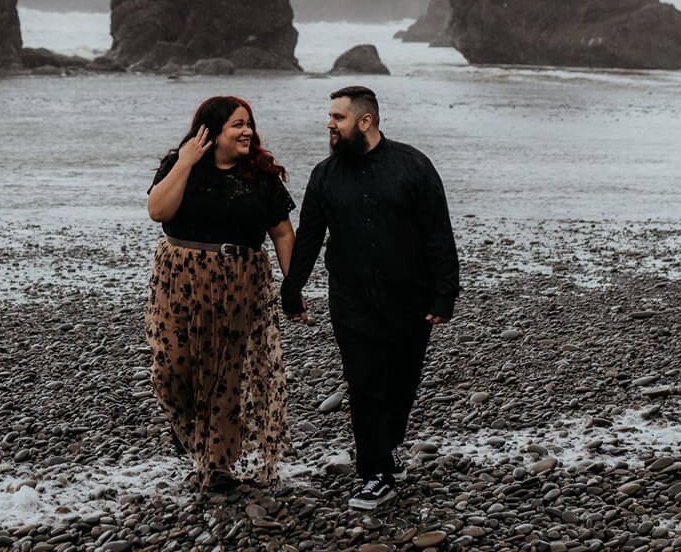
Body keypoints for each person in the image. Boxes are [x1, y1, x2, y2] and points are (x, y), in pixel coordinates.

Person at [280, 85, 460, 510]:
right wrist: (292, 289)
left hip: (409, 298)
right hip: (351, 300)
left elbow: (439, 233)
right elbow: (308, 237)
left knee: (402, 382)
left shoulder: (413, 167)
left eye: (338, 118)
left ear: (366, 121)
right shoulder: (324, 175)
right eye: (330, 117)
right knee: (364, 383)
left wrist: (444, 293)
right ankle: (375, 473)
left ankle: (387, 445)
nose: (329, 124)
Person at [144, 94, 297, 491]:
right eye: (237, 125)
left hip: (239, 280)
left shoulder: (262, 176)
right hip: (180, 277)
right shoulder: (181, 166)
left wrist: (292, 285)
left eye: (249, 124)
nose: (247, 131)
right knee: (171, 368)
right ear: (212, 131)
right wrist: (185, 161)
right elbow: (158, 211)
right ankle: (191, 431)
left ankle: (216, 466)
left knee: (224, 375)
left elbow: (281, 232)